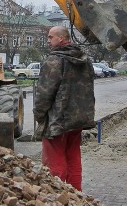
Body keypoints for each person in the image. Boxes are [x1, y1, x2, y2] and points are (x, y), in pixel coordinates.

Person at [33, 26, 95, 190]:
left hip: (58, 120)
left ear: (61, 38)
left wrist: (40, 116)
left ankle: (57, 197)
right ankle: (76, 194)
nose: (48, 40)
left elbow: (44, 94)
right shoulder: (85, 60)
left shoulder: (54, 61)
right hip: (78, 119)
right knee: (73, 155)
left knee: (55, 159)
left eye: (50, 37)